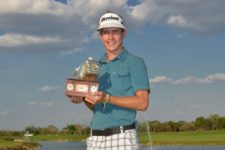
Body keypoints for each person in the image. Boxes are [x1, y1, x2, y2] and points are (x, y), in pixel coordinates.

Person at [69, 11, 150, 150]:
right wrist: (83, 98)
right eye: (106, 32)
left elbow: (143, 103)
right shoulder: (95, 67)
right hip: (95, 137)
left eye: (115, 32)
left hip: (122, 136)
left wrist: (107, 98)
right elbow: (97, 106)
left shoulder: (135, 62)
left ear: (123, 34)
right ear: (100, 35)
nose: (110, 37)